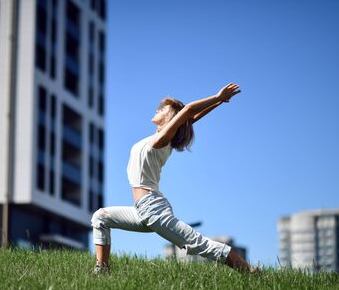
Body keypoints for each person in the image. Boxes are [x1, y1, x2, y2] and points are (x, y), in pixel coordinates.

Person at [91, 83, 256, 274]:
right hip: (141, 210)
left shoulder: (160, 141)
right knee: (100, 217)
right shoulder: (156, 138)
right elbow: (190, 119)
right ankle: (101, 269)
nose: (158, 109)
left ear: (172, 118)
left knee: (199, 244)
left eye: (163, 109)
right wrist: (218, 103)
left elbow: (188, 112)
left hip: (153, 209)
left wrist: (218, 98)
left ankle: (251, 272)